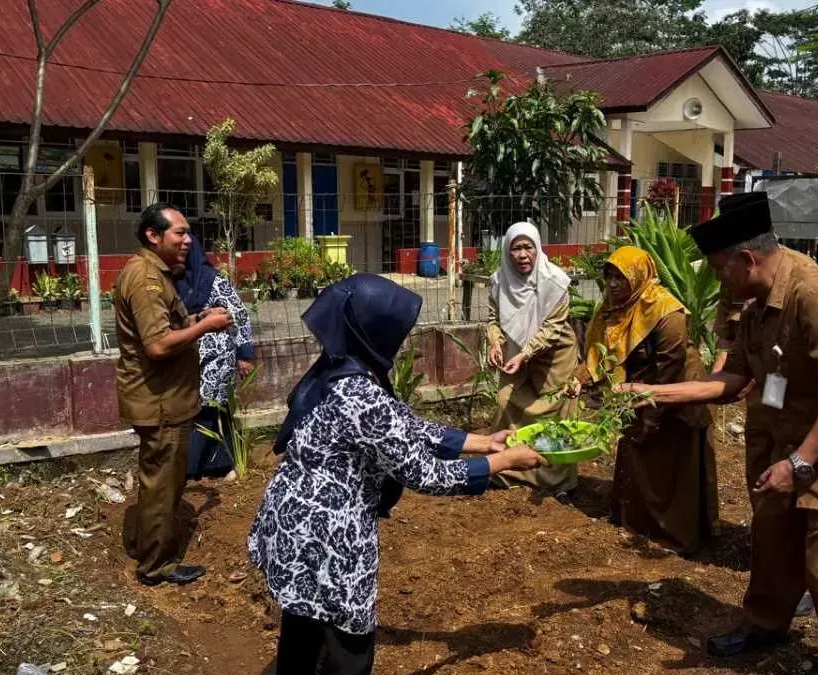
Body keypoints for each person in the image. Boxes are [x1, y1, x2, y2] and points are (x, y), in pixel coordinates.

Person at [623, 192, 818, 674]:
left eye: (720, 270)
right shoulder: (757, 301)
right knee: (774, 536)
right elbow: (734, 381)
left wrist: (800, 462)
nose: (719, 280)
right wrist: (649, 393)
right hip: (797, 445)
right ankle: (766, 625)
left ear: (746, 258)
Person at [248, 274, 547, 675]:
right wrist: (504, 463)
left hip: (294, 518)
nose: (403, 338)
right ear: (375, 330)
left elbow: (403, 425)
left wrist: (483, 442)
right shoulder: (361, 394)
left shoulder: (338, 365)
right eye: (398, 329)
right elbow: (424, 473)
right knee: (349, 646)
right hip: (329, 531)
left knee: (302, 623)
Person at [114, 203, 231, 586]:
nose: (187, 240)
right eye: (179, 233)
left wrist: (196, 320)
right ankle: (156, 566)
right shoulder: (146, 279)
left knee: (162, 481)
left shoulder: (157, 275)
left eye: (187, 232)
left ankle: (143, 543)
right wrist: (207, 326)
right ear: (154, 235)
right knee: (163, 485)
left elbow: (168, 326)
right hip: (160, 401)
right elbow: (159, 345)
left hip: (167, 398)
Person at [575, 246, 718, 555]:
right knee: (637, 458)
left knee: (671, 465)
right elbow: (599, 355)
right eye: (609, 276)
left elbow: (670, 369)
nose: (612, 284)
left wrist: (650, 421)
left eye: (620, 277)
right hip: (637, 389)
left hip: (678, 391)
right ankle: (635, 523)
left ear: (639, 276)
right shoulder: (611, 309)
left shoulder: (666, 312)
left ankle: (675, 535)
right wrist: (578, 379)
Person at [487, 222, 579, 499]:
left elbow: (551, 329)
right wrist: (494, 342)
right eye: (516, 248)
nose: (523, 254)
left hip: (554, 352)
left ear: (538, 249)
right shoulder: (498, 281)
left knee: (554, 410)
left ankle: (556, 481)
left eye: (528, 247)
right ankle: (511, 469)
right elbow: (493, 318)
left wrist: (526, 354)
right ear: (507, 251)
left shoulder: (555, 282)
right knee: (506, 401)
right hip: (516, 351)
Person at [174, 238, 255, 481]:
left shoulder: (212, 280)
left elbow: (239, 314)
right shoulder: (172, 282)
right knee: (199, 407)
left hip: (216, 355)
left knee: (209, 406)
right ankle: (219, 463)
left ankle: (191, 468)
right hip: (187, 353)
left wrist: (245, 354)